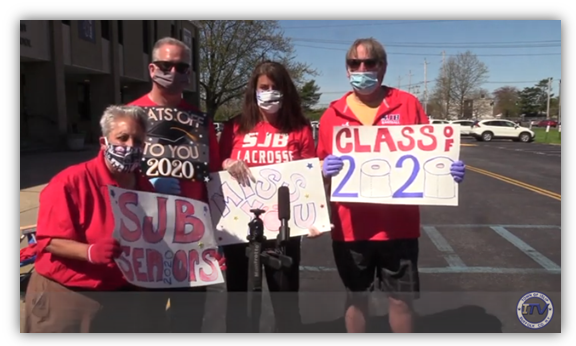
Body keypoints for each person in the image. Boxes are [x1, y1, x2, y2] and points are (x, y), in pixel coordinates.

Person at [316, 38, 466, 333]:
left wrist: (448, 169)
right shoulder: (331, 114)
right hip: (350, 227)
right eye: (354, 64)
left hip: (399, 226)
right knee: (356, 298)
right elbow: (316, 173)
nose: (362, 69)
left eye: (369, 63)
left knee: (401, 301)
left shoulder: (407, 104)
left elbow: (431, 154)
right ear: (347, 70)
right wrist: (322, 170)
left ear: (382, 67)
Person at [24, 105, 155, 333]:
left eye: (138, 140)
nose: (130, 146)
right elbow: (48, 239)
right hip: (68, 296)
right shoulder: (70, 182)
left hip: (122, 296)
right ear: (104, 142)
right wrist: (90, 252)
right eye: (122, 138)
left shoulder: (145, 188)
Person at [218, 60, 322, 333]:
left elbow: (308, 176)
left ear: (286, 91)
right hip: (240, 228)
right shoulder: (234, 128)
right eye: (264, 87)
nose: (270, 92)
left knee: (286, 301)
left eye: (276, 87)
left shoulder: (299, 128)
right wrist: (228, 163)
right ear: (253, 90)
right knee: (239, 300)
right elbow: (216, 171)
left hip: (284, 228)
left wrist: (313, 218)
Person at [127, 37, 222, 333]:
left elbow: (215, 174)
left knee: (189, 323)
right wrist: (144, 183)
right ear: (152, 68)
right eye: (166, 65)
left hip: (190, 238)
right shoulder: (126, 116)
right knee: (145, 323)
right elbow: (108, 175)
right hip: (143, 236)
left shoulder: (199, 121)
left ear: (189, 74)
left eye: (181, 67)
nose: (173, 72)